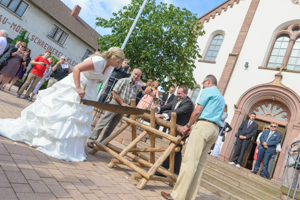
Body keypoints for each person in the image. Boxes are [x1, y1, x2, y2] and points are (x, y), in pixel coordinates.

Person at [0, 47, 125, 162]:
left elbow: (99, 78)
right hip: (76, 85)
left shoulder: (109, 67)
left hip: (88, 89)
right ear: (113, 57)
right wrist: (78, 87)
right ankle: (50, 139)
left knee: (76, 116)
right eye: (118, 61)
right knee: (65, 112)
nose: (118, 64)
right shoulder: (99, 60)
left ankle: (66, 144)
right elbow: (77, 68)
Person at [161, 75, 225, 200]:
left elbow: (197, 111)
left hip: (203, 126)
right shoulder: (221, 97)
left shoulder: (208, 91)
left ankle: (177, 196)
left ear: (208, 81)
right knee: (199, 165)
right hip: (214, 130)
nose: (203, 85)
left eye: (203, 83)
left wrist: (188, 125)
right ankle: (189, 197)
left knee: (190, 161)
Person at [87, 68, 142, 147]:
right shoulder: (123, 80)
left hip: (123, 108)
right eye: (135, 74)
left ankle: (102, 143)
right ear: (131, 73)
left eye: (138, 75)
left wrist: (128, 106)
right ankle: (91, 140)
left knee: (112, 126)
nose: (136, 76)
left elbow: (132, 99)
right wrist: (122, 103)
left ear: (139, 78)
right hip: (115, 103)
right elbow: (114, 92)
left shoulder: (136, 87)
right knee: (103, 122)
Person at [154, 85, 194, 175]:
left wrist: (163, 115)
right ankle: (176, 172)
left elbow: (178, 111)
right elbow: (169, 106)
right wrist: (159, 109)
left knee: (172, 147)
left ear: (185, 93)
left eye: (179, 93)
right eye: (177, 93)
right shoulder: (176, 99)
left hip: (183, 130)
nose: (177, 95)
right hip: (175, 128)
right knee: (177, 149)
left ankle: (163, 170)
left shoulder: (189, 103)